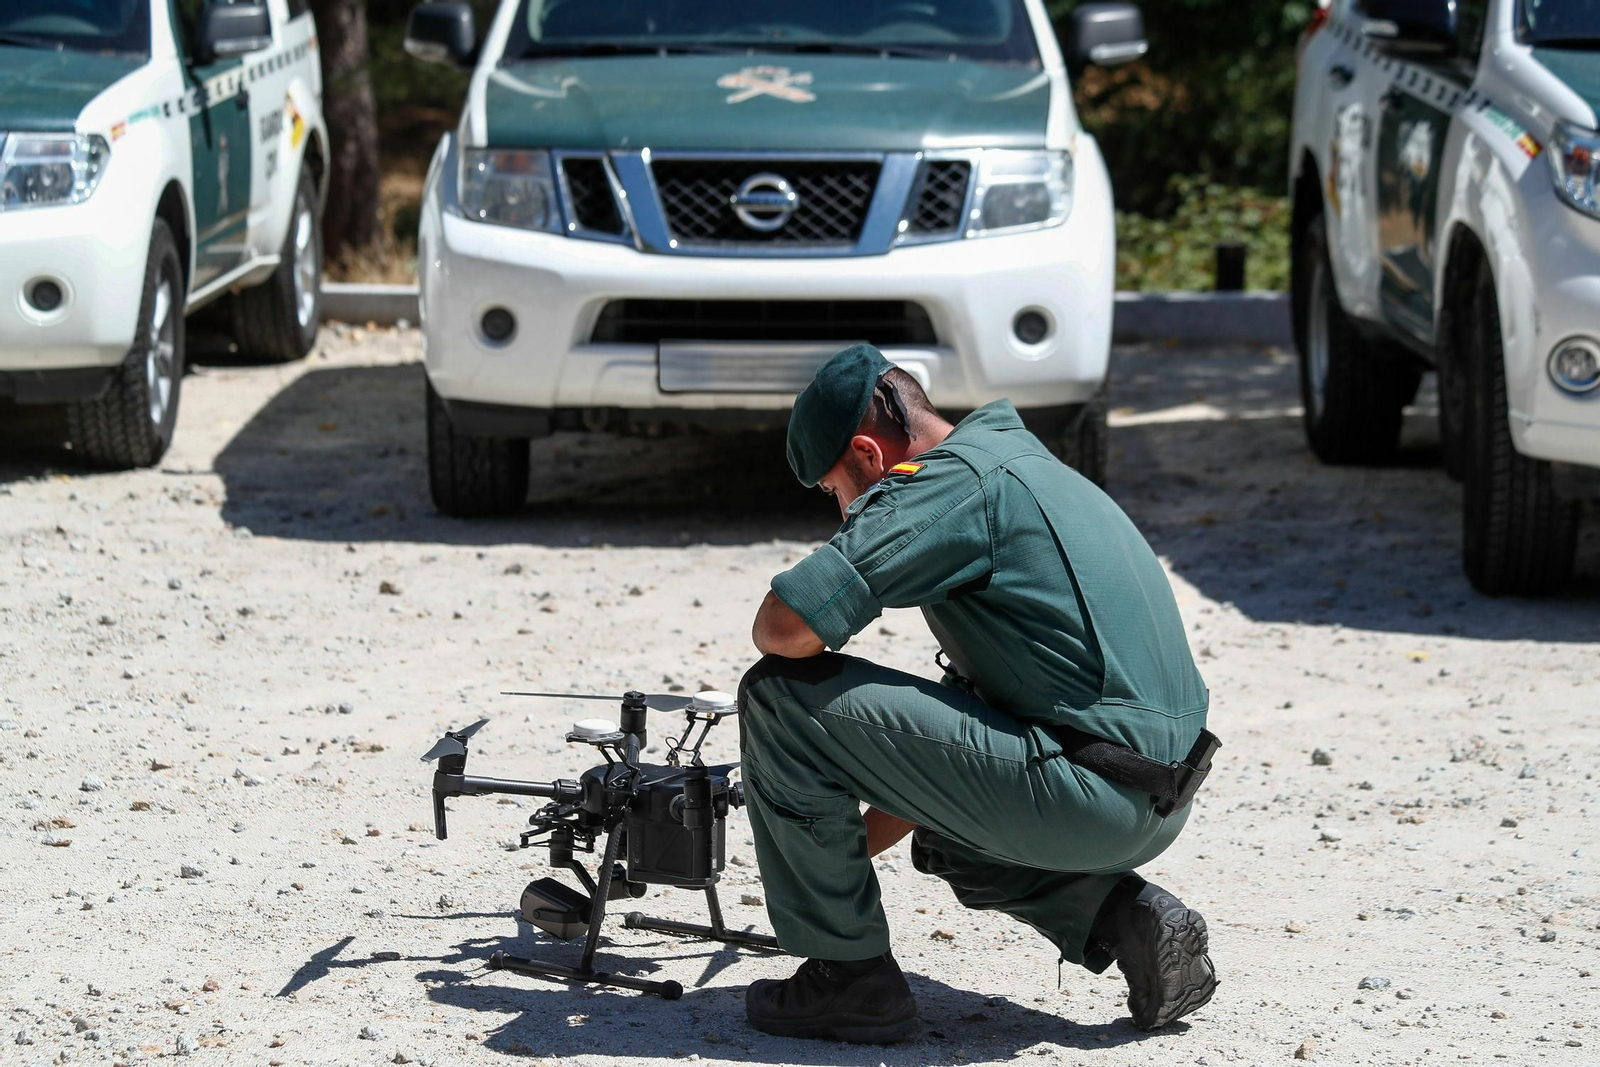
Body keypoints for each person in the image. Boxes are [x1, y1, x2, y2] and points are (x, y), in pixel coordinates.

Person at [738, 344, 1219, 1044]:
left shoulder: (950, 485)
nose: (841, 512)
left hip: (1089, 792)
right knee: (947, 840)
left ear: (868, 454)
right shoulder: (1025, 465)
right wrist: (819, 854)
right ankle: (1129, 918)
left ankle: (849, 981)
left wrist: (808, 850)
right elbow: (941, 763)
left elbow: (782, 629)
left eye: (834, 492)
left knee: (780, 697)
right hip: (1153, 797)